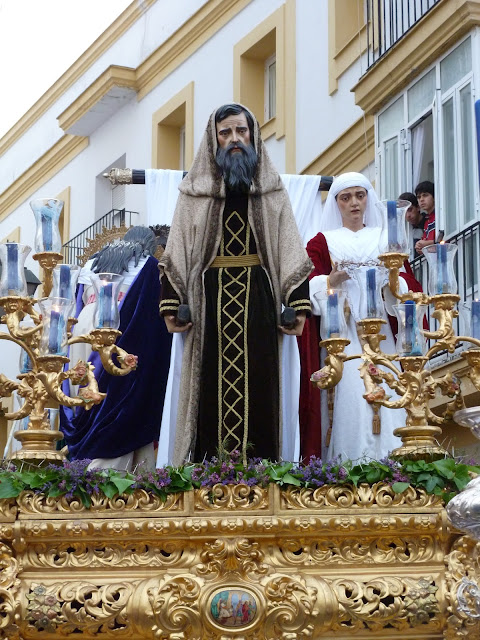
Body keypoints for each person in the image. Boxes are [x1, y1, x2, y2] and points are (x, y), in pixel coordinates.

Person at [158, 103, 312, 465]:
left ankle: (263, 475)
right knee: (207, 387)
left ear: (253, 136)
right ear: (214, 140)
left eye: (241, 131)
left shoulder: (271, 191)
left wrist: (297, 304)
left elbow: (290, 246)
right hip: (207, 304)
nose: (234, 139)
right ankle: (208, 476)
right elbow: (177, 248)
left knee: (261, 385)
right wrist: (171, 303)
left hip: (259, 301)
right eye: (225, 132)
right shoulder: (194, 192)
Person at [298, 172, 422, 462]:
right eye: (346, 197)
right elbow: (305, 289)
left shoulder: (385, 238)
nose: (353, 203)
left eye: (359, 195)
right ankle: (349, 466)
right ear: (337, 203)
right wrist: (330, 281)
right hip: (344, 335)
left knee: (390, 390)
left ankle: (395, 464)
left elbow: (409, 288)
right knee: (350, 395)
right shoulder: (323, 242)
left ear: (367, 199)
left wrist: (391, 281)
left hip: (382, 334)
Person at [61, 226, 172, 470]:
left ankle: (83, 447)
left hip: (84, 326)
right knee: (119, 395)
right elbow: (153, 317)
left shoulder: (92, 261)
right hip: (119, 325)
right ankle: (106, 463)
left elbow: (77, 302)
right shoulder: (148, 265)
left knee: (84, 386)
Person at [399, 191, 424, 258]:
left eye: (410, 210)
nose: (408, 215)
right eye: (404, 212)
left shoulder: (428, 223)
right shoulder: (405, 229)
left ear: (418, 207)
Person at [414, 180, 435, 254]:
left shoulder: (441, 217)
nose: (421, 199)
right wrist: (419, 246)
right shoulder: (427, 220)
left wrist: (427, 244)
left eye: (425, 195)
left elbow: (447, 240)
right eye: (419, 197)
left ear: (434, 197)